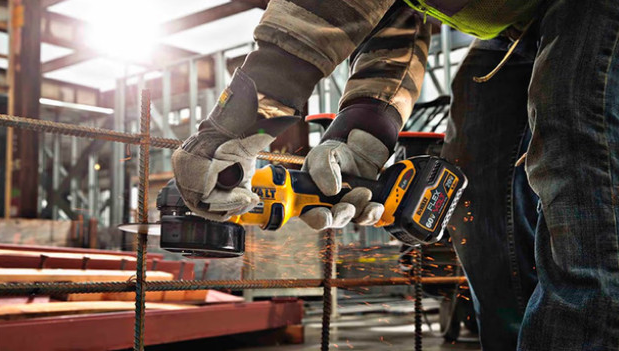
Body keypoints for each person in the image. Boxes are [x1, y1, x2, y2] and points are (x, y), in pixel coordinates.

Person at [171, 0, 619, 349]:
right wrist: (367, 122)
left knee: (575, 141)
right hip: (516, 24)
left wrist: (237, 124)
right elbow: (395, 14)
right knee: (478, 165)